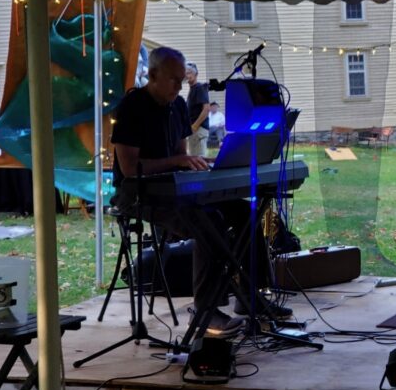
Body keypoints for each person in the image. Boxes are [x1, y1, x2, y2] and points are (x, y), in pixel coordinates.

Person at [110, 47, 289, 336]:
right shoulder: (132, 107)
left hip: (173, 188)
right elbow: (130, 168)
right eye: (173, 80)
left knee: (246, 212)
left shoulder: (177, 105)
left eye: (182, 80)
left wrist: (196, 163)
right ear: (152, 75)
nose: (179, 86)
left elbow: (179, 155)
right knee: (209, 220)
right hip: (138, 194)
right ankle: (205, 309)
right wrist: (178, 161)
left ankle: (251, 296)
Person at [184, 61, 210, 156]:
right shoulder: (192, 89)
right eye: (186, 73)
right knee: (193, 159)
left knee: (199, 160)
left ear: (196, 74)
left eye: (190, 72)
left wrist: (195, 126)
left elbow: (206, 109)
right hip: (193, 130)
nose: (187, 75)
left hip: (199, 130)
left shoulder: (200, 87)